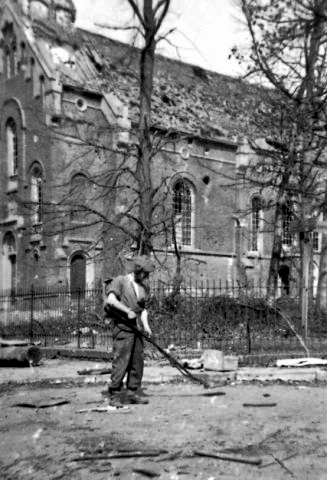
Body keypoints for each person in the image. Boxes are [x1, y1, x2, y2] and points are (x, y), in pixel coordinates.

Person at [104, 255, 155, 407]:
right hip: (123, 327)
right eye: (145, 273)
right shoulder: (120, 281)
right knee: (121, 361)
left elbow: (143, 309)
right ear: (138, 270)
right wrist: (127, 311)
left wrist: (146, 326)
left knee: (137, 361)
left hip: (137, 328)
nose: (146, 276)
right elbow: (111, 301)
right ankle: (115, 395)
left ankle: (132, 392)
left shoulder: (144, 287)